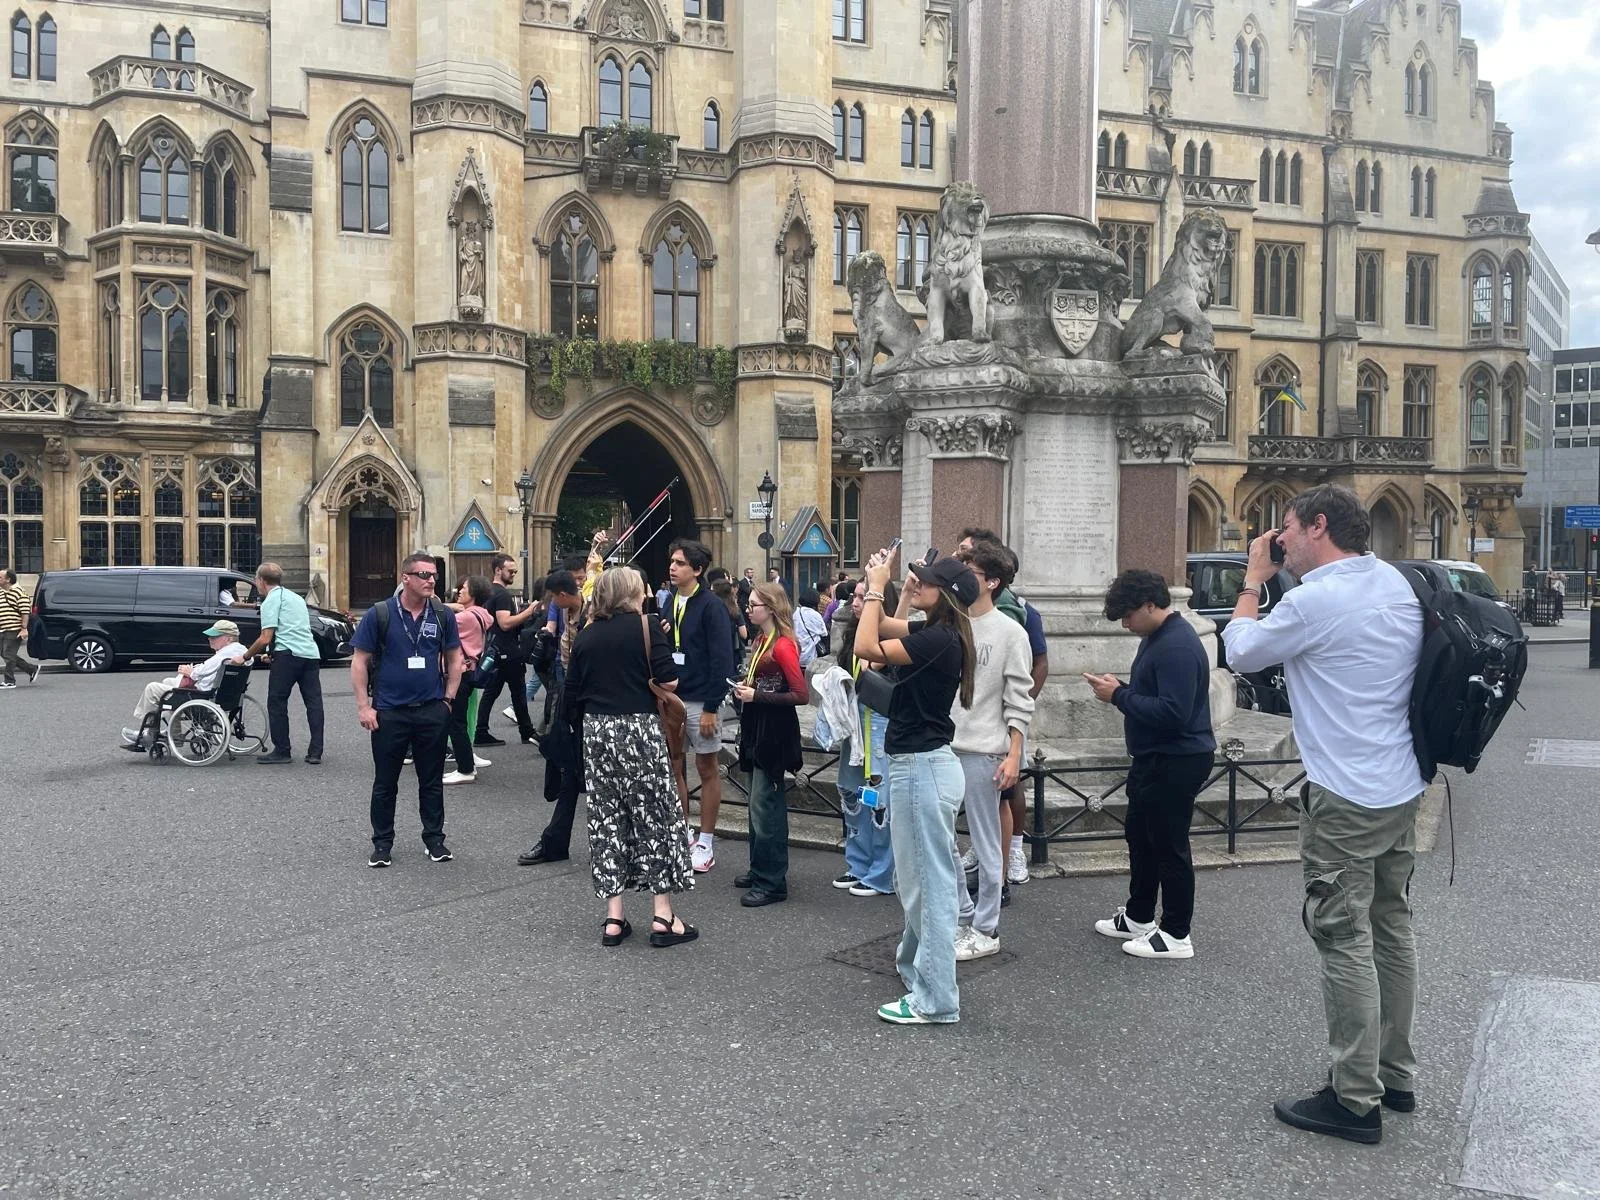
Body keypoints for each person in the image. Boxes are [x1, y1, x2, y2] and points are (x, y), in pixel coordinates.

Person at [1222, 484, 1425, 1146]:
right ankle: (1395, 1076)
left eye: (1284, 529)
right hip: (1400, 784)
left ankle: (1354, 1098)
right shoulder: (1393, 583)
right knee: (1390, 926)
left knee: (1342, 937)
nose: (1278, 541)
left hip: (1346, 793)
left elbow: (1241, 652)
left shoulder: (1319, 597)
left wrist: (1254, 581)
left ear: (1317, 526)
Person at [854, 547, 977, 1026]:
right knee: (918, 881)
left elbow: (867, 651)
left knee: (928, 885)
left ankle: (936, 999)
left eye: (924, 580)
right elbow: (884, 629)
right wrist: (899, 596)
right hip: (924, 765)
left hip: (921, 768)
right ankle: (918, 972)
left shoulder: (940, 640)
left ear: (944, 595)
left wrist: (876, 587)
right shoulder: (940, 635)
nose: (916, 580)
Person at [562, 566, 698, 948]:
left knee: (607, 820)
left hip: (597, 732)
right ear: (629, 595)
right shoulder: (645, 627)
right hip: (639, 728)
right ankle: (663, 914)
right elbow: (668, 680)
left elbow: (572, 691)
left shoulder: (587, 635)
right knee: (656, 815)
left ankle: (614, 918)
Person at [1084, 569, 1216, 961]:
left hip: (1177, 757)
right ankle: (1140, 914)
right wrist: (1121, 688)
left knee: (1168, 845)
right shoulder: (1157, 637)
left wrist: (1119, 696)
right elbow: (1154, 694)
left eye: (1128, 615)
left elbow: (1174, 713)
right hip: (1155, 756)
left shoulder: (1175, 644)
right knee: (1140, 837)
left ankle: (1177, 932)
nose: (1125, 624)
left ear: (1150, 605)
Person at [946, 540, 1036, 962]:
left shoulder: (1010, 632)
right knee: (943, 838)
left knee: (985, 845)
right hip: (945, 746)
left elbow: (1020, 698)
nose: (963, 575)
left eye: (971, 571)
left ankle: (986, 927)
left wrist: (1014, 754)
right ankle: (965, 913)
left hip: (984, 751)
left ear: (992, 582)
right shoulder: (953, 622)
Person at [350, 552, 465, 869]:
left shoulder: (442, 614)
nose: (431, 580)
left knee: (431, 780)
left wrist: (448, 700)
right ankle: (382, 844)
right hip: (389, 712)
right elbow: (360, 661)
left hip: (431, 710)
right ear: (406, 578)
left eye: (434, 576)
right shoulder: (380, 614)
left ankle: (435, 840)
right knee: (385, 783)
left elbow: (454, 658)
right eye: (424, 575)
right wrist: (364, 707)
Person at [729, 583, 809, 907]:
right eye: (748, 605)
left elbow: (800, 695)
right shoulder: (764, 640)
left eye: (753, 605)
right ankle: (760, 868)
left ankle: (772, 880)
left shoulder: (783, 645)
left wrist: (756, 694)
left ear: (771, 609)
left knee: (766, 804)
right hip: (758, 724)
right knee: (756, 802)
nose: (749, 610)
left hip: (773, 729)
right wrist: (751, 686)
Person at [662, 538, 736, 873]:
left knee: (706, 769)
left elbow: (723, 659)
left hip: (700, 698)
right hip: (672, 698)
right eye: (672, 562)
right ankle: (681, 833)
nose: (673, 568)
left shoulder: (711, 606)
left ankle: (705, 841)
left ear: (697, 569)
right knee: (675, 766)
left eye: (679, 563)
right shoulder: (670, 600)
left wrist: (710, 706)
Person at [833, 577, 898, 897]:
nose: (855, 603)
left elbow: (877, 665)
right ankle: (858, 863)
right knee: (850, 791)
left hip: (878, 723)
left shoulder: (888, 636)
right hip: (853, 723)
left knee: (879, 800)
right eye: (856, 597)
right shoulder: (851, 635)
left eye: (863, 597)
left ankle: (882, 872)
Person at [518, 570, 587, 865]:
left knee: (593, 776)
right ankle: (555, 842)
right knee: (567, 769)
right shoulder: (562, 612)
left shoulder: (594, 613)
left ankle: (613, 845)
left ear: (562, 594)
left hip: (592, 702)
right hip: (566, 694)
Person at [240, 563, 326, 766]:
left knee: (277, 702)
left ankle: (282, 750)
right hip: (310, 654)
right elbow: (293, 628)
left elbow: (265, 638)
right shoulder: (296, 597)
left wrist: (244, 656)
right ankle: (315, 752)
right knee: (314, 703)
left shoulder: (272, 600)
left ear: (261, 581)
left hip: (288, 656)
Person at [120, 619, 248, 749]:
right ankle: (173, 732)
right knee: (167, 683)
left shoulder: (225, 653)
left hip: (203, 696)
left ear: (229, 638)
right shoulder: (243, 651)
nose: (210, 638)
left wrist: (189, 671)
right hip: (224, 696)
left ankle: (149, 733)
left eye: (215, 636)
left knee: (152, 688)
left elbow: (200, 672)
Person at [474, 554, 540, 747]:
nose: (513, 574)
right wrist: (529, 611)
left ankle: (482, 732)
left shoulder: (488, 592)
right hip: (507, 651)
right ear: (498, 570)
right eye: (510, 571)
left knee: (493, 692)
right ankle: (527, 732)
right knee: (517, 692)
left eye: (515, 571)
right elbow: (504, 623)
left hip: (494, 649)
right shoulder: (502, 595)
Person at [443, 575, 495, 786]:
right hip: (470, 670)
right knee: (459, 721)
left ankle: (465, 769)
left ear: (473, 593)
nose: (459, 591)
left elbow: (440, 624)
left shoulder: (464, 618)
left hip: (460, 672)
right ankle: (467, 765)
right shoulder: (481, 614)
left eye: (464, 588)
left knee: (456, 723)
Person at [0, 567, 40, 689]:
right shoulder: (1, 592)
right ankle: (31, 669)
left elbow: (25, 612)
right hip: (3, 629)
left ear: (8, 580)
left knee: (8, 654)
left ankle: (9, 680)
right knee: (5, 653)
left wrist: (24, 629)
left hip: (14, 629)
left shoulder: (19, 592)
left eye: (0, 577)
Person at [793, 587, 829, 667]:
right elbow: (824, 634)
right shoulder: (815, 615)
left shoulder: (796, 613)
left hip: (797, 656)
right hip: (811, 656)